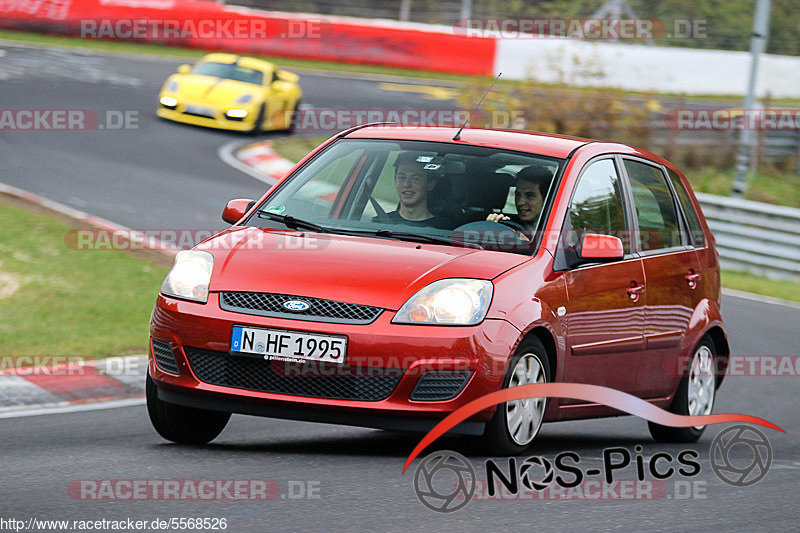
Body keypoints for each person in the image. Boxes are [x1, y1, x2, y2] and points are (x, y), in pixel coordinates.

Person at [377, 152, 452, 229]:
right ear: (395, 180)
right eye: (402, 177)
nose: (407, 184)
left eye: (416, 179)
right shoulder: (378, 224)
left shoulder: (444, 230)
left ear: (430, 184)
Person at [486, 165, 552, 239]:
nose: (520, 202)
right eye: (518, 194)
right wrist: (490, 228)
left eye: (529, 195)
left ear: (546, 199)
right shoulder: (505, 227)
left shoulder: (558, 231)